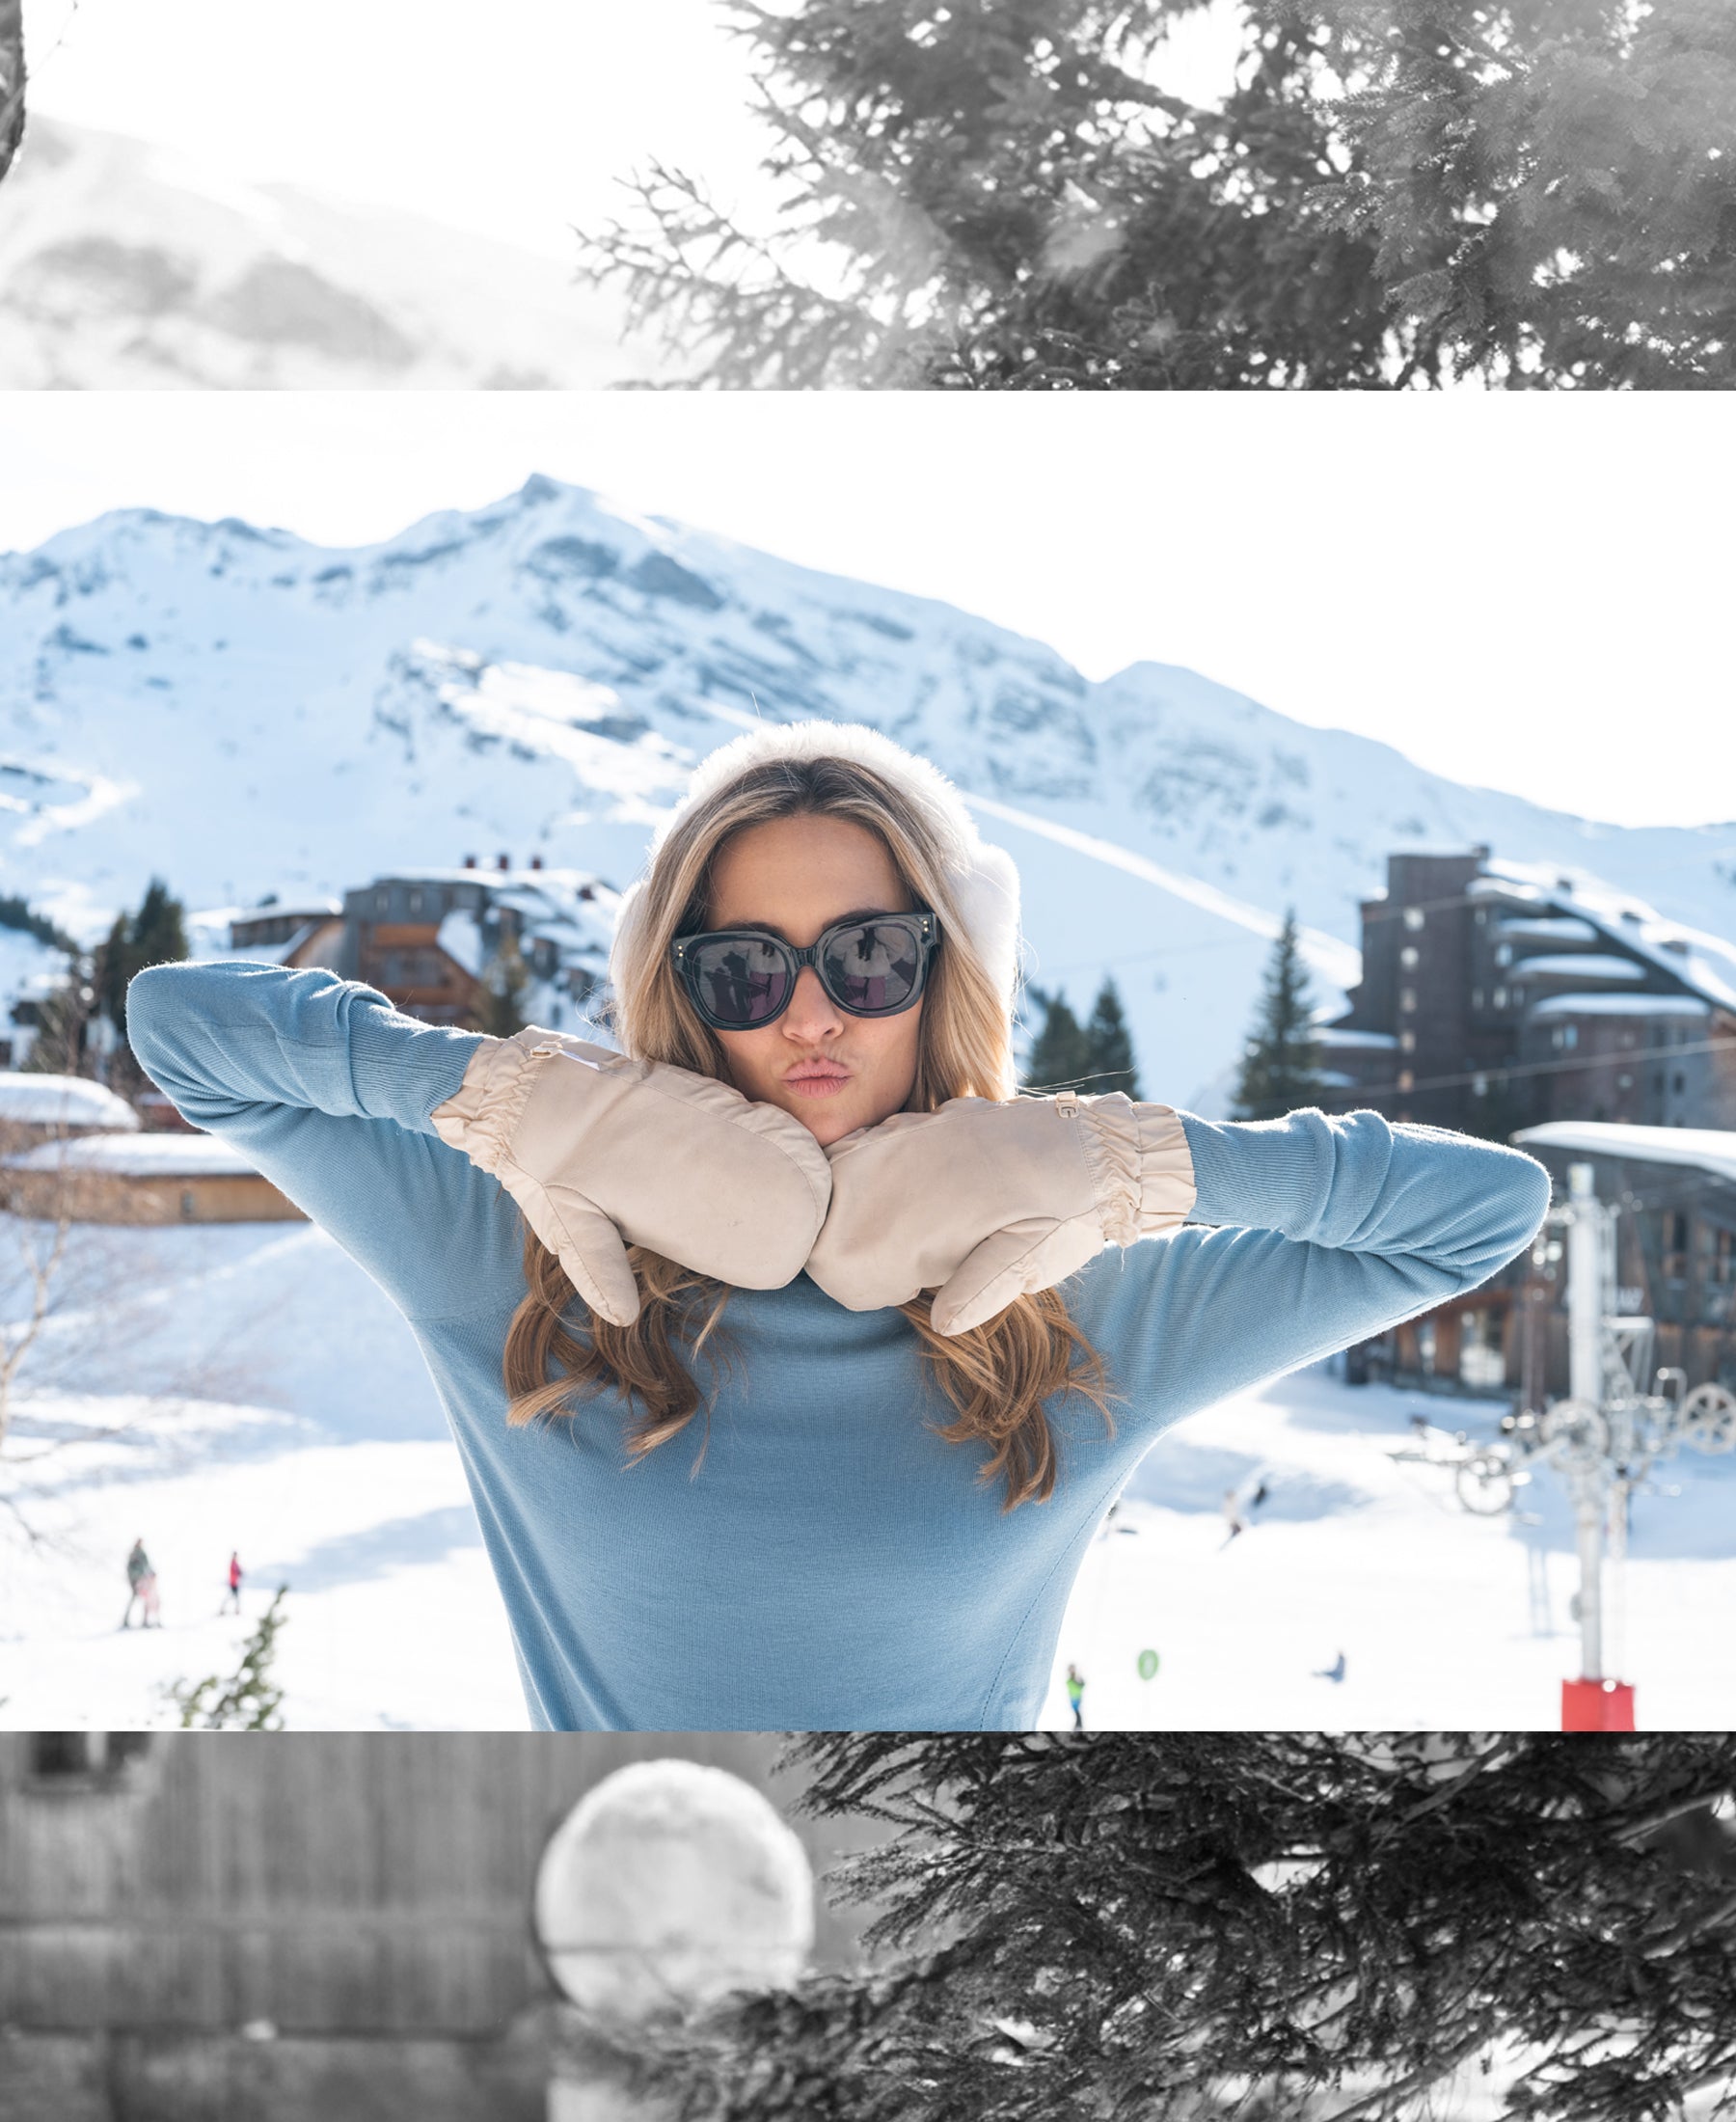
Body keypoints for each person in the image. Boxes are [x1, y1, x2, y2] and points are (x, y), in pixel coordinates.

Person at [124, 720, 1553, 1732]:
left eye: (870, 956)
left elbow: (1483, 1211)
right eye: (745, 969)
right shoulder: (528, 1251)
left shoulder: (1072, 1306)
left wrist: (1133, 1164)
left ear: (945, 977)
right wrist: (503, 1097)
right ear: (685, 996)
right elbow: (177, 1028)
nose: (812, 1012)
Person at [121, 1537, 150, 1630]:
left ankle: (145, 1620)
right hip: (136, 1581)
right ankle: (126, 1620)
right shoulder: (134, 1554)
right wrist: (134, 1579)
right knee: (134, 1599)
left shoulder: (142, 1553)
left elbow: (147, 1566)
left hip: (142, 1580)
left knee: (146, 1600)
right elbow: (130, 1569)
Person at [221, 1550, 244, 1616]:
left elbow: (239, 1572)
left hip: (235, 1583)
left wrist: (240, 1572)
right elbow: (235, 1572)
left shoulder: (236, 1564)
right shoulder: (233, 1564)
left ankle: (236, 1610)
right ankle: (224, 1609)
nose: (236, 1557)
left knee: (234, 1597)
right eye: (235, 1555)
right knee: (232, 1597)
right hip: (233, 1583)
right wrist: (239, 1572)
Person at [1065, 1663, 1085, 1731]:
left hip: (1077, 1697)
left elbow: (1081, 1686)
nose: (1072, 1670)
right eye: (1070, 1669)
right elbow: (1072, 1687)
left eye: (1072, 1669)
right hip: (1073, 1698)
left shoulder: (1076, 1678)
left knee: (1077, 1712)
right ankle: (1078, 1726)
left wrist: (1080, 1683)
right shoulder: (1070, 1680)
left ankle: (1078, 1726)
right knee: (1076, 1712)